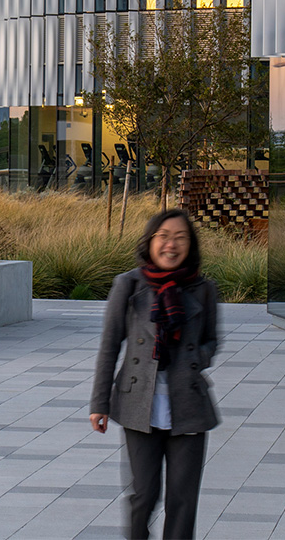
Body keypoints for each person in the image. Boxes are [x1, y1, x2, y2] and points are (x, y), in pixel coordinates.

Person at [89, 208, 220, 540]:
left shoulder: (204, 288)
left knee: (183, 499)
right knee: (144, 494)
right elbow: (109, 346)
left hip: (188, 404)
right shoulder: (129, 285)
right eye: (163, 237)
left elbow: (211, 340)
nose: (171, 245)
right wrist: (99, 403)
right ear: (150, 241)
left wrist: (195, 358)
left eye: (180, 238)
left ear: (190, 245)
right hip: (138, 402)